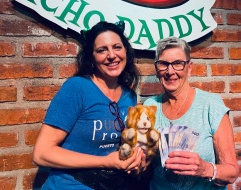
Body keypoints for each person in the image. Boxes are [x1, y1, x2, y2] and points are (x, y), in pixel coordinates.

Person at [32, 21, 143, 190]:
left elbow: (122, 149)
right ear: (91, 57)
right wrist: (106, 162)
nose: (111, 55)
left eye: (117, 47)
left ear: (126, 51)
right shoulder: (77, 88)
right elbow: (41, 154)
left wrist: (136, 162)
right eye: (102, 50)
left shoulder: (130, 97)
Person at [144, 36, 239, 190]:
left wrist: (205, 169)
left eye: (177, 64)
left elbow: (232, 172)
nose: (170, 71)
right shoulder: (149, 107)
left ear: (189, 67)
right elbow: (145, 167)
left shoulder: (210, 105)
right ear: (156, 69)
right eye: (163, 64)